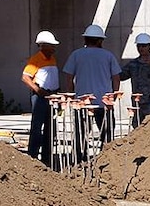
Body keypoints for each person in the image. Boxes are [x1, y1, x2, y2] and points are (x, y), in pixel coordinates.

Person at [63, 24, 123, 154]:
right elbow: (116, 77)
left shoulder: (76, 55)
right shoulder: (108, 56)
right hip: (103, 102)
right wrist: (114, 96)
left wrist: (72, 95)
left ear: (86, 39)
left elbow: (68, 77)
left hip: (83, 103)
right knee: (107, 134)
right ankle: (106, 157)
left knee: (81, 133)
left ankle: (79, 158)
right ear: (100, 40)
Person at [22, 31, 63, 162]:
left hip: (52, 96)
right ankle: (32, 157)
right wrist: (38, 90)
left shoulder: (52, 59)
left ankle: (47, 158)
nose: (54, 48)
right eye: (51, 45)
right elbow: (25, 77)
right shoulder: (35, 60)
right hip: (40, 97)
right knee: (37, 127)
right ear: (43, 45)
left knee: (50, 128)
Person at [122, 32, 150, 126]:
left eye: (144, 46)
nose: (141, 48)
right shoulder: (133, 64)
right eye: (139, 46)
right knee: (137, 126)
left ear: (149, 47)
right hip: (138, 103)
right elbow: (121, 76)